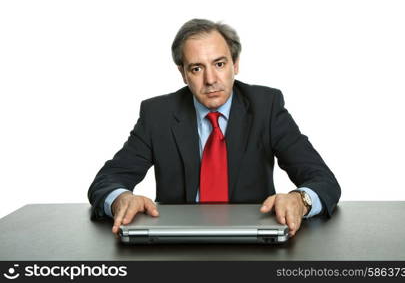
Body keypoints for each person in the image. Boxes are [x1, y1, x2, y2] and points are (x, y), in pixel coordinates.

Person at [87, 19, 341, 238]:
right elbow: (107, 180)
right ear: (183, 74)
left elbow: (323, 180)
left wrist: (300, 200)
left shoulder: (266, 107)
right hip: (176, 242)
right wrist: (122, 199)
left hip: (256, 241)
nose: (210, 80)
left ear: (235, 64)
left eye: (219, 64)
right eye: (197, 68)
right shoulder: (158, 115)